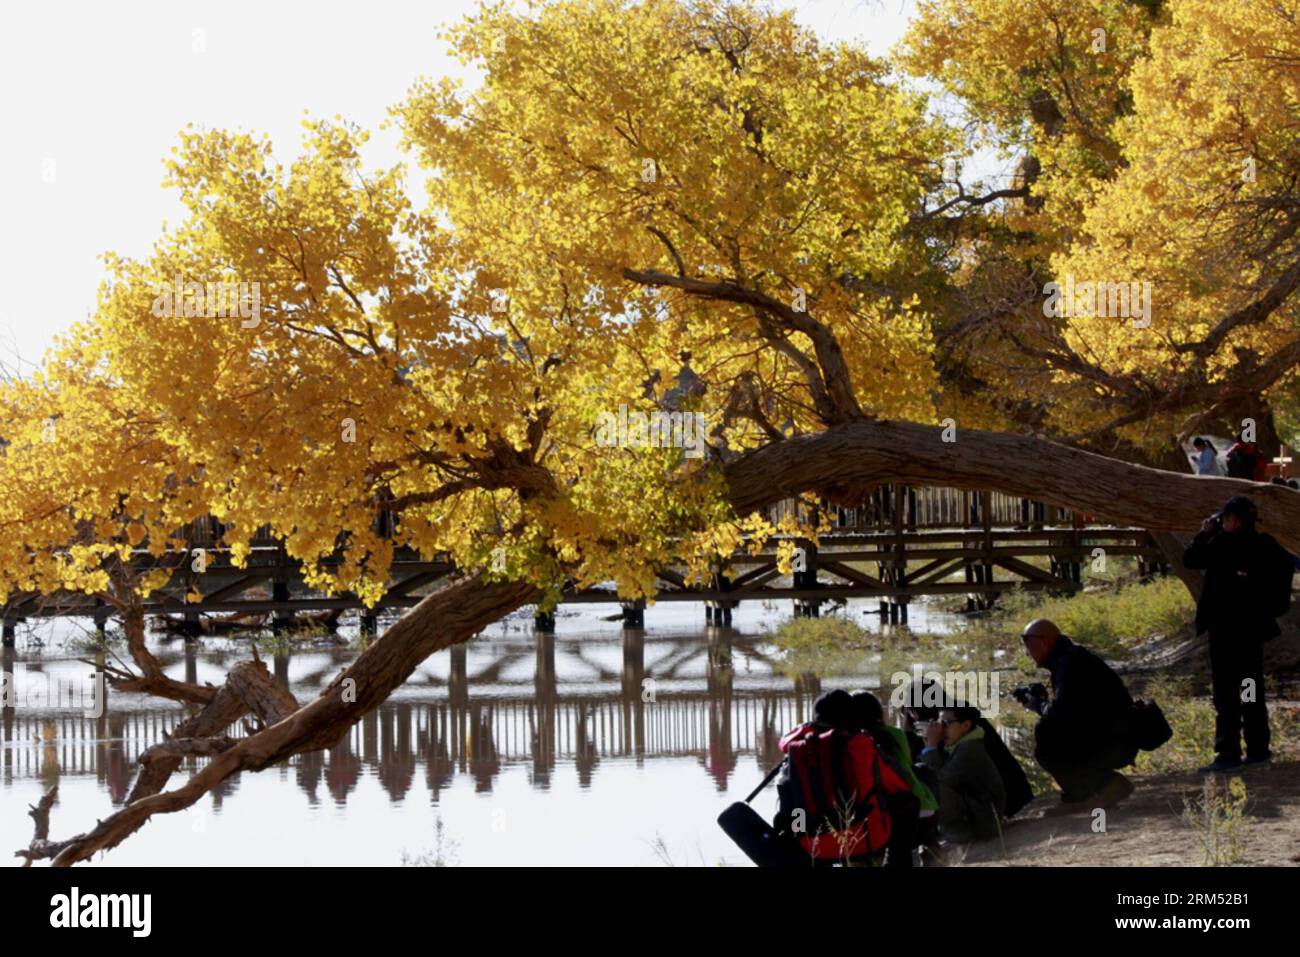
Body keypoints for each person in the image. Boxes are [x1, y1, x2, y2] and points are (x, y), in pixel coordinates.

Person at [1182, 496, 1289, 771]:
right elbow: (1286, 565)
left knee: (1226, 691)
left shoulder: (1221, 545)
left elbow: (1190, 559)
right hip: (1252, 630)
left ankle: (1228, 751)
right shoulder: (1265, 545)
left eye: (1225, 518)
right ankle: (1258, 748)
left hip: (1225, 631)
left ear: (1234, 520)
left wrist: (1203, 534)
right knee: (1251, 688)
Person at [774, 690, 918, 866]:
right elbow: (903, 782)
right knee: (908, 801)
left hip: (810, 844)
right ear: (852, 718)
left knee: (799, 814)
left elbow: (787, 808)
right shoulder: (860, 745)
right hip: (865, 840)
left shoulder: (796, 751)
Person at [1016, 619, 1138, 807]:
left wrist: (1039, 705)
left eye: (1030, 646)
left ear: (1045, 642)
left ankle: (1102, 788)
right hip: (1114, 735)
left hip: (1115, 741)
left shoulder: (1068, 664)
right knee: (1050, 730)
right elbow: (1072, 709)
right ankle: (1087, 791)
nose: (1028, 652)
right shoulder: (1069, 658)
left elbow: (1060, 714)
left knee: (1046, 733)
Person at [897, 677, 1033, 818]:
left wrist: (930, 746)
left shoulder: (956, 728)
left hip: (996, 807)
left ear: (915, 713)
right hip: (1017, 794)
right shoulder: (961, 714)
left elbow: (938, 778)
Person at [851, 691, 938, 855]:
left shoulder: (850, 743)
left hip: (870, 829)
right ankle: (932, 846)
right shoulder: (895, 734)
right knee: (923, 771)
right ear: (879, 713)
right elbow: (907, 768)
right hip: (917, 819)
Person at [918, 706, 1007, 842]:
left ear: (965, 725)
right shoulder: (961, 744)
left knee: (928, 778)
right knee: (921, 771)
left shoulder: (970, 749)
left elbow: (941, 779)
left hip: (983, 822)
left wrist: (931, 747)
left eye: (946, 724)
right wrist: (931, 746)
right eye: (940, 724)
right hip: (978, 813)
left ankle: (957, 831)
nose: (942, 729)